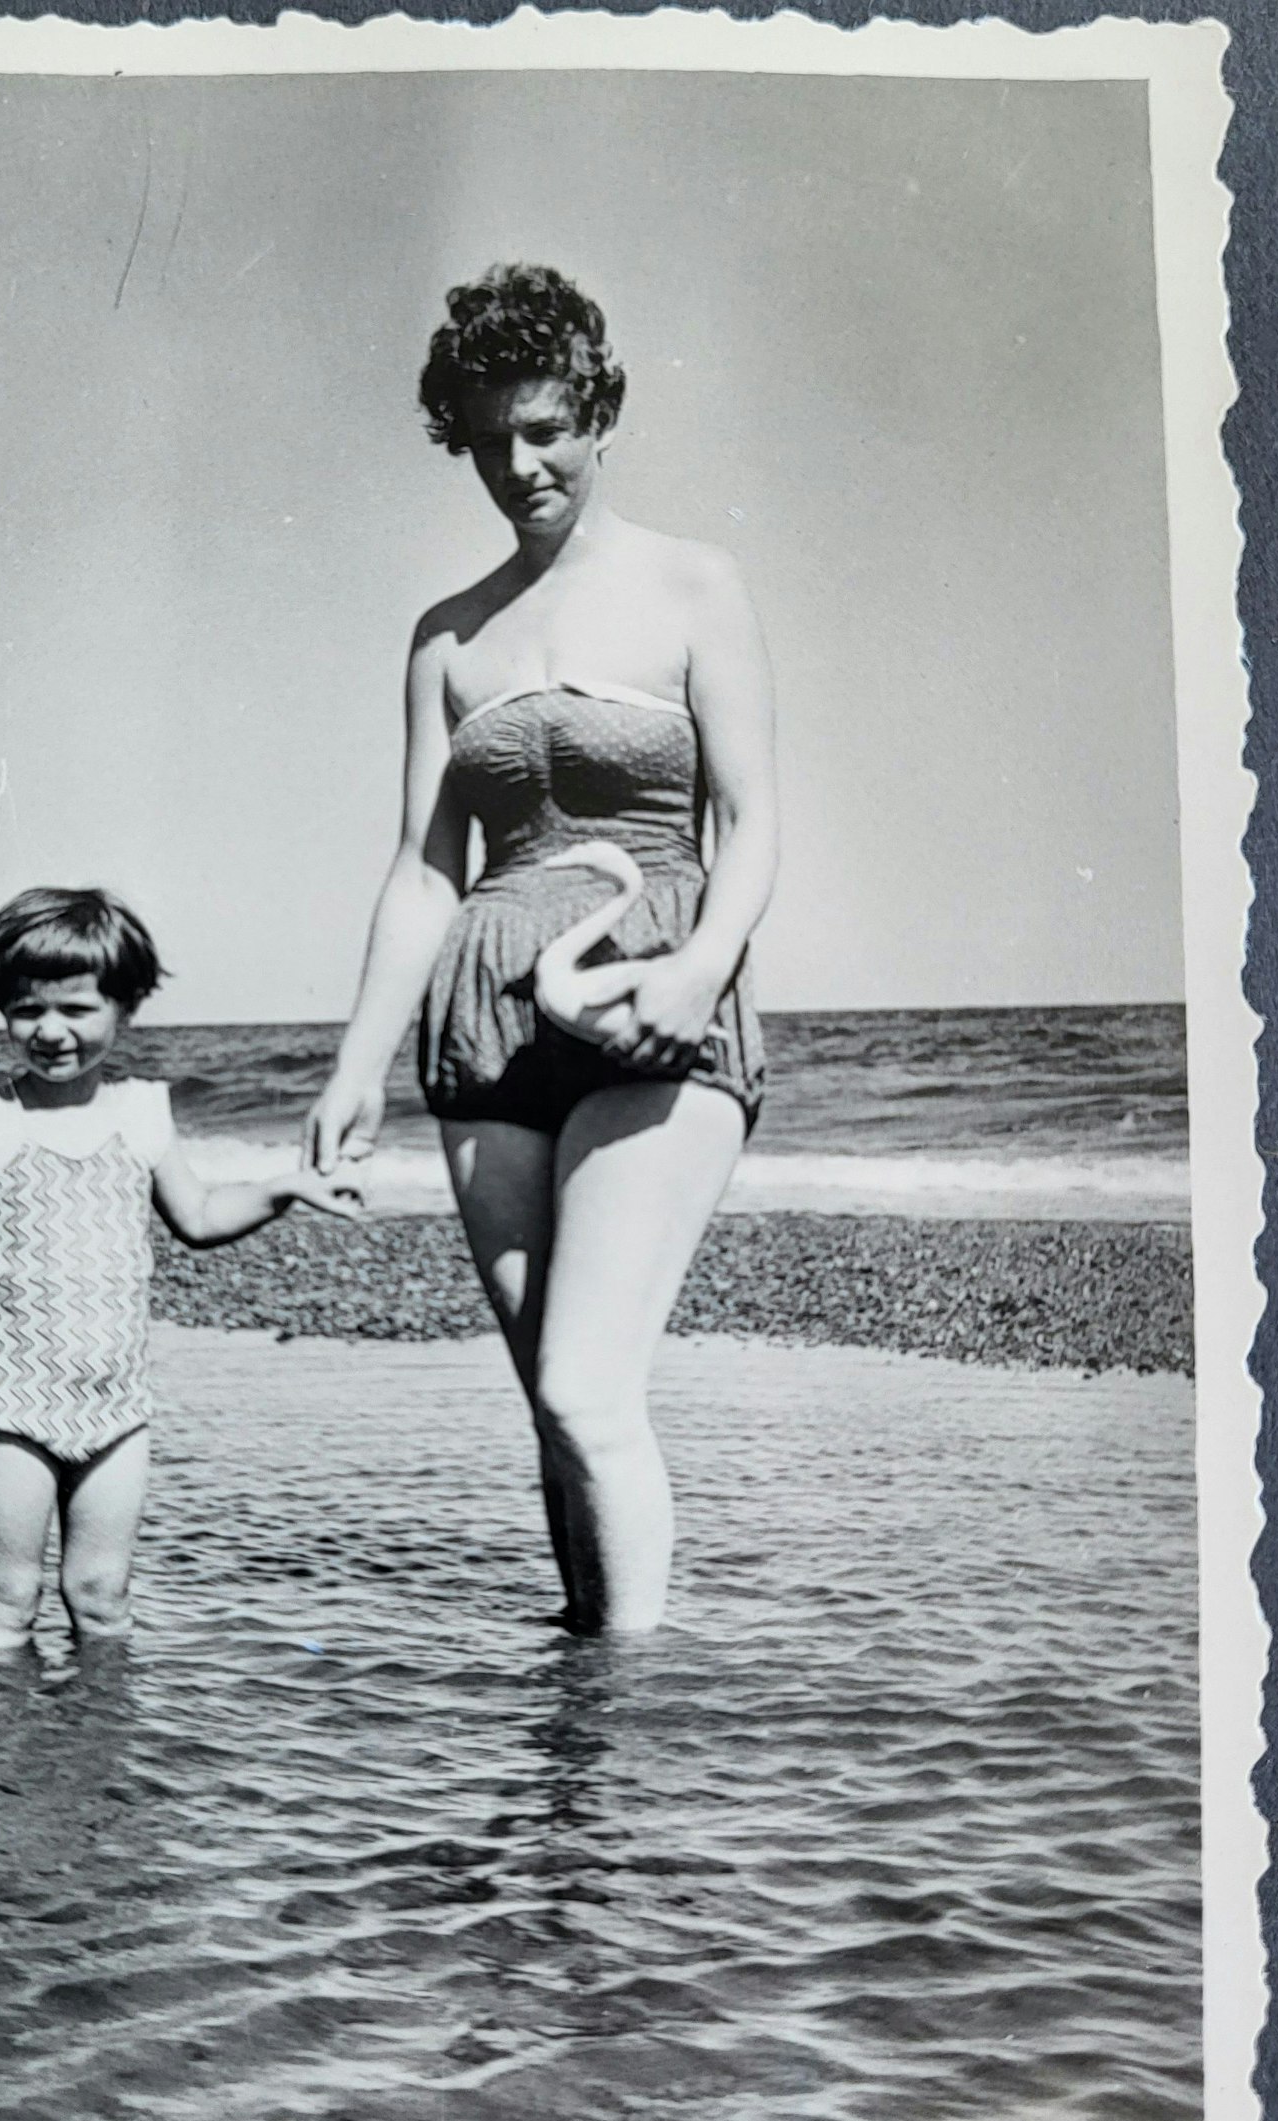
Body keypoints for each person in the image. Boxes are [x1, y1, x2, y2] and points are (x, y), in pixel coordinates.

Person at [304, 264, 779, 1635]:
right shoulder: (446, 639)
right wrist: (355, 1067)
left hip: (656, 1002)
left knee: (585, 1385)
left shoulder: (697, 584)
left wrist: (699, 972)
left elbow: (751, 822)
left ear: (602, 414)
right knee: (553, 1410)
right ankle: (582, 1742)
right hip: (484, 1030)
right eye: (488, 436)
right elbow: (419, 869)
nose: (520, 465)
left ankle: (627, 1728)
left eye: (546, 429)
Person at [0, 886, 359, 1651]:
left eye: (76, 1009)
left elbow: (201, 1215)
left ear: (124, 1007)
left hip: (116, 1406)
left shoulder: (143, 1109)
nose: (49, 1031)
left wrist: (286, 1186)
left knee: (102, 1596)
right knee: (7, 1599)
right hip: (13, 1403)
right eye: (25, 1008)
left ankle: (103, 1756)